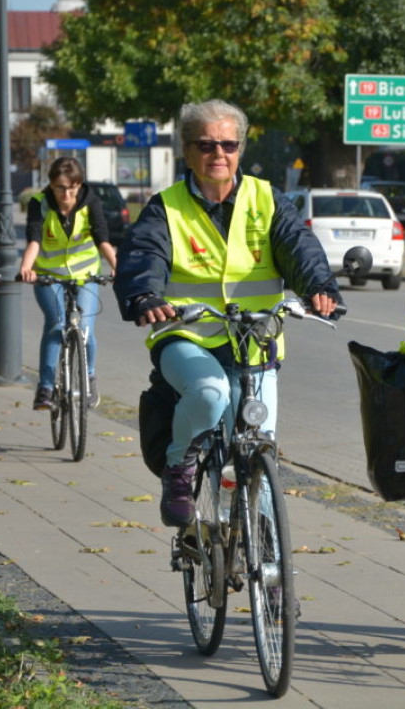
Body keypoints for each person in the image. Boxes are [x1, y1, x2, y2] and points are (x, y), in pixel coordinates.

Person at [114, 99, 343, 527]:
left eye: (228, 144)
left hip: (256, 340)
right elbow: (144, 255)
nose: (218, 154)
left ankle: (271, 571)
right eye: (205, 145)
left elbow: (298, 247)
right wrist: (145, 296)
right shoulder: (166, 206)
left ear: (240, 149)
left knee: (260, 448)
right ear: (187, 150)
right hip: (186, 336)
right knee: (209, 393)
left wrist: (319, 288)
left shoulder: (265, 198)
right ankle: (180, 470)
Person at [18, 157, 117, 411]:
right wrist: (26, 268)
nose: (67, 193)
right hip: (48, 275)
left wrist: (118, 267)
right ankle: (46, 388)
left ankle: (89, 377)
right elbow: (34, 239)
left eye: (73, 187)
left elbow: (102, 238)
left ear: (79, 184)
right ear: (51, 185)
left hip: (84, 273)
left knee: (85, 328)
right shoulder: (39, 204)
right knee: (56, 324)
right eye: (61, 187)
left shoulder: (90, 201)